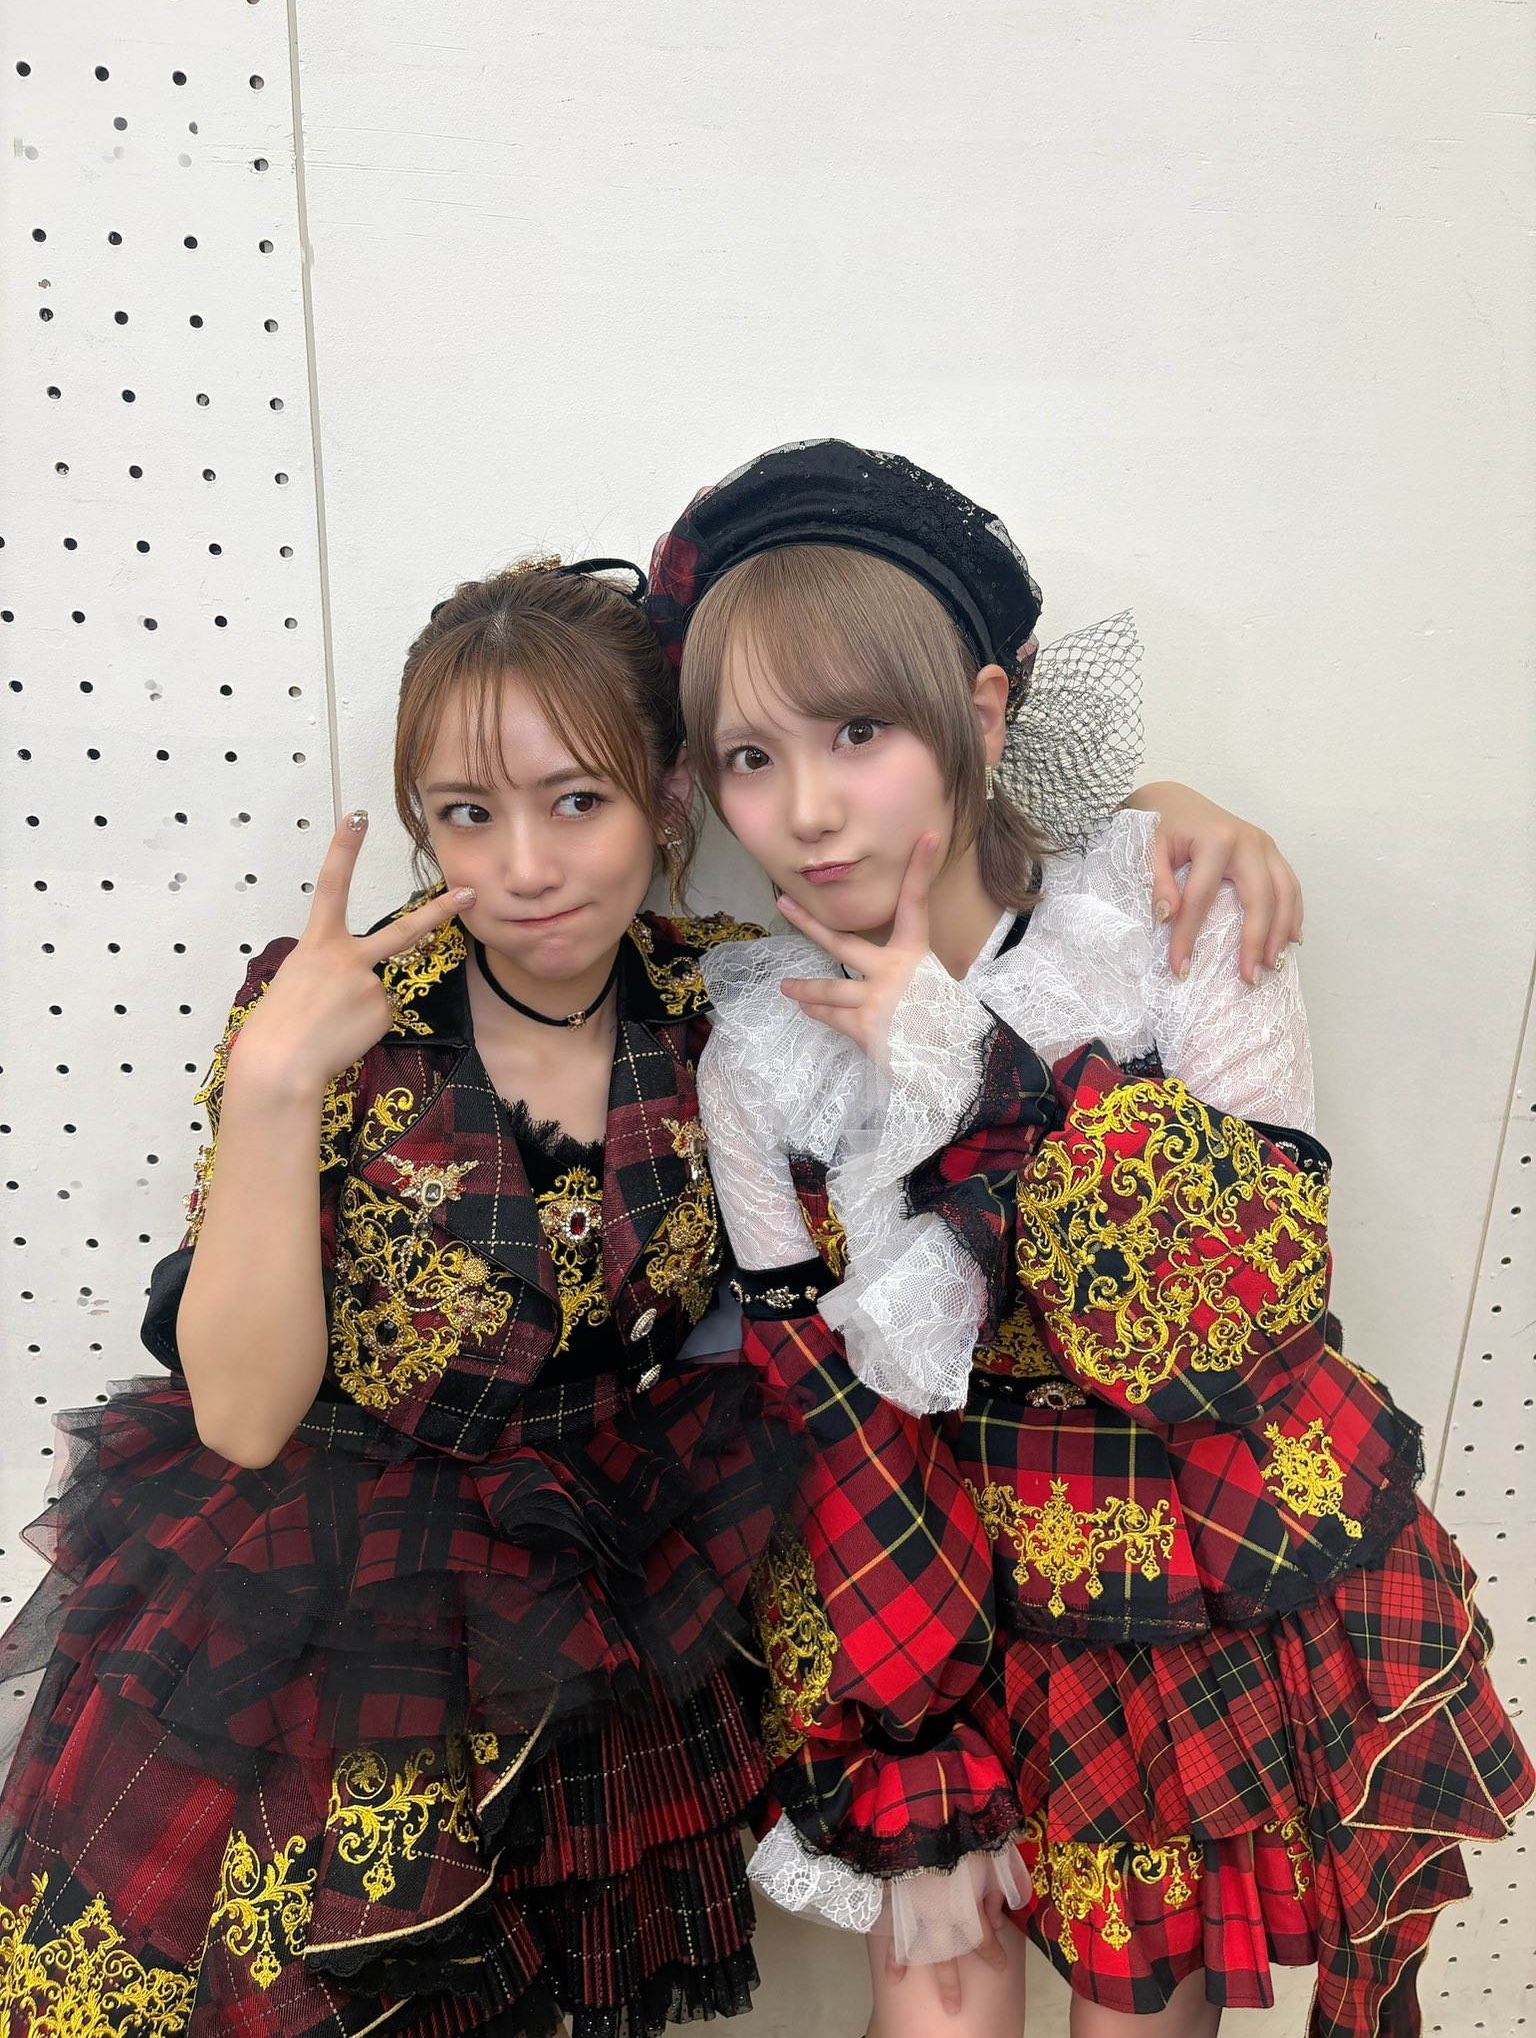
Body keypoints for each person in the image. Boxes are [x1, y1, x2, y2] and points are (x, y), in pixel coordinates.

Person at [0, 547, 1303, 2038]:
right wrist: (276, 1082)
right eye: (467, 814)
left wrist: (1171, 815)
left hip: (597, 1610)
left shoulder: (728, 1005)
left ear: (669, 798)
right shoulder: (334, 1014)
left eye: (578, 803)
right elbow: (238, 1418)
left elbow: (973, 944)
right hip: (332, 1605)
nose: (525, 867)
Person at [654, 439, 1535, 2038]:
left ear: (983, 714)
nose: (810, 809)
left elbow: (1242, 1308)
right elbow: (824, 1409)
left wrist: (973, 1067)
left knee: (1143, 2018)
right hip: (929, 1584)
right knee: (940, 2012)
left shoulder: (1164, 911)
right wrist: (904, 1728)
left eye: (860, 731)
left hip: (1182, 1559)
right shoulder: (758, 1052)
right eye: (751, 757)